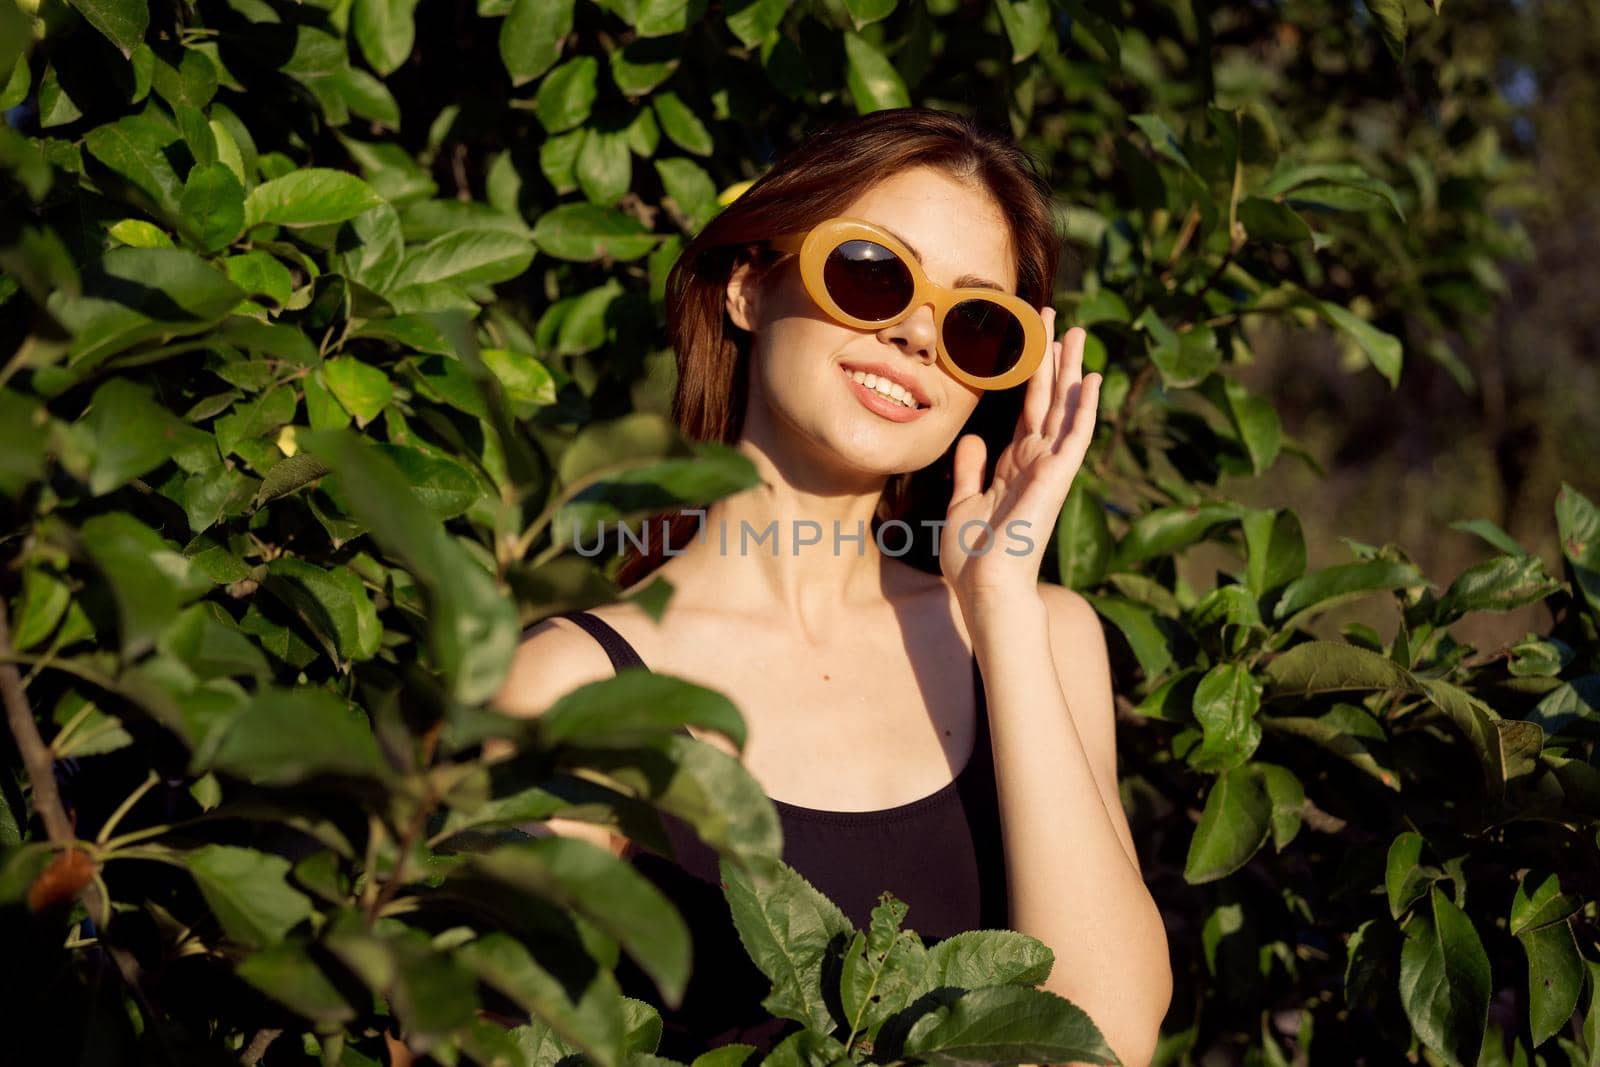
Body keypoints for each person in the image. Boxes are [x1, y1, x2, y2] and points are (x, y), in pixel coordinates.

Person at [494, 107, 1172, 1065]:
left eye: (980, 324)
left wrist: (1002, 604)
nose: (917, 333)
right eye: (871, 271)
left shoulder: (1044, 637)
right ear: (746, 287)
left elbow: (1106, 1039)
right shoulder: (573, 688)